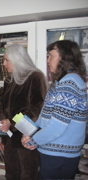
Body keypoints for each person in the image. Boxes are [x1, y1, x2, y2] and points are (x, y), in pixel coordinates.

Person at [21, 40, 88, 179]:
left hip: (59, 154)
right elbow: (45, 116)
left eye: (50, 56)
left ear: (64, 58)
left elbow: (57, 126)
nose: (47, 60)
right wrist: (30, 134)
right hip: (54, 150)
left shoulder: (69, 83)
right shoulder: (62, 82)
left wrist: (34, 140)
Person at [0, 43, 47, 180]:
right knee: (11, 173)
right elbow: (2, 104)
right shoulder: (9, 79)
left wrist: (11, 121)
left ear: (17, 60)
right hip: (9, 136)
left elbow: (36, 108)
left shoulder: (35, 77)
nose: (3, 63)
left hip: (26, 135)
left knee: (27, 173)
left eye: (7, 60)